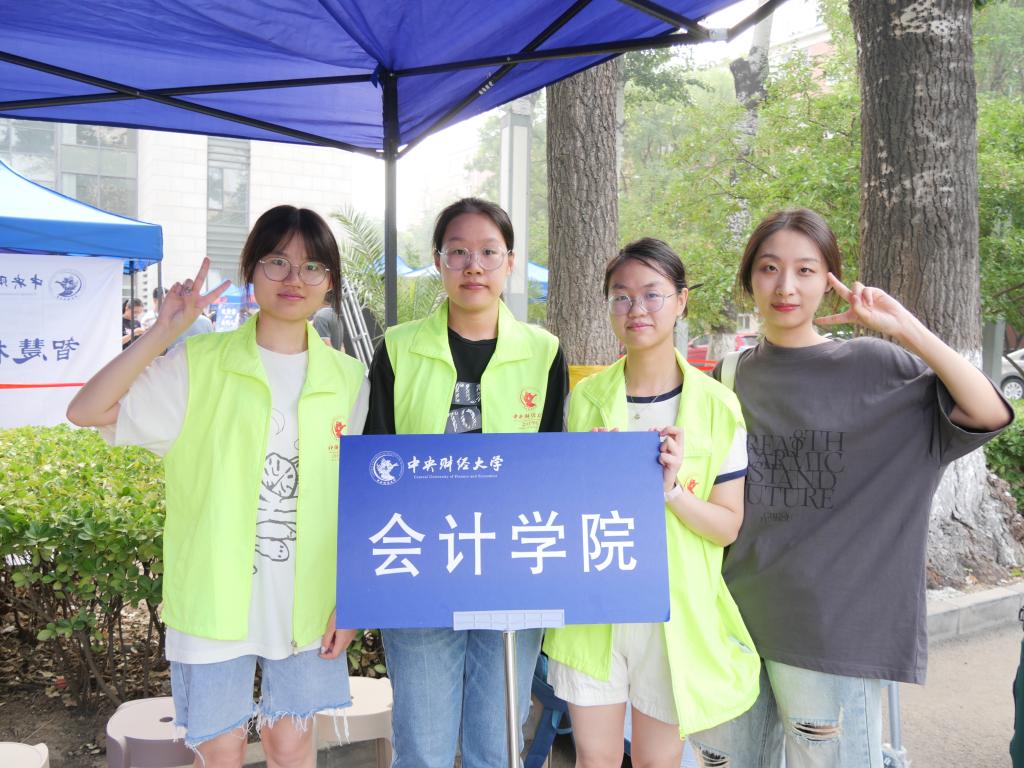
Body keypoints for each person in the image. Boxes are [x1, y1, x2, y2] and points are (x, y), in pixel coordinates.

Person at [689, 208, 1014, 767]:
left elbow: (988, 413)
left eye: (805, 270)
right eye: (769, 268)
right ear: (749, 279)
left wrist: (904, 328)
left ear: (829, 280)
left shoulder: (875, 365)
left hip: (830, 634)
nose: (786, 287)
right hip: (730, 625)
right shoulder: (728, 376)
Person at [67, 205, 368, 768]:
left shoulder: (349, 379)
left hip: (308, 604)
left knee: (291, 745)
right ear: (251, 270)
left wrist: (352, 602)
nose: (293, 278)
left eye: (312, 266)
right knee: (220, 752)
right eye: (277, 261)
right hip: (212, 599)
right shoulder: (198, 363)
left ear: (329, 283)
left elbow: (359, 503)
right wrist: (164, 331)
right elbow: (87, 410)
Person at [364, 197, 569, 768]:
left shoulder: (544, 352)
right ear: (438, 261)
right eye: (458, 252)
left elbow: (556, 464)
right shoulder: (397, 348)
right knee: (422, 746)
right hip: (419, 569)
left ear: (510, 262)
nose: (473, 266)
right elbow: (375, 466)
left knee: (496, 744)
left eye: (488, 252)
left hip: (513, 569)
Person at [541, 238, 760, 768]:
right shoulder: (586, 398)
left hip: (673, 617)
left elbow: (727, 526)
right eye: (621, 296)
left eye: (652, 294)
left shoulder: (717, 405)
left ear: (681, 300)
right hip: (595, 609)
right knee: (594, 758)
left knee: (656, 763)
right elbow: (562, 509)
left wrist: (672, 491)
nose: (636, 308)